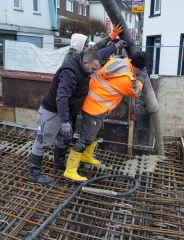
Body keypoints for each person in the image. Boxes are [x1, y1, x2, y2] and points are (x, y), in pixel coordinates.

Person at [29, 40, 127, 185]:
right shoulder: (70, 73)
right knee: (43, 141)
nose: (94, 73)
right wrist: (63, 121)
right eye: (93, 69)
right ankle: (34, 174)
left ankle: (59, 164)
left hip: (68, 111)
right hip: (53, 112)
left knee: (64, 139)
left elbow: (99, 54)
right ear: (85, 63)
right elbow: (61, 98)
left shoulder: (87, 59)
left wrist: (115, 46)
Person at [63, 52, 147, 181]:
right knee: (85, 138)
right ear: (139, 69)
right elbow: (135, 92)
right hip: (94, 108)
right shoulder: (126, 78)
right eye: (139, 71)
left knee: (97, 132)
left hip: (92, 102)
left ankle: (86, 156)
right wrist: (141, 78)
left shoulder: (118, 62)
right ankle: (70, 170)